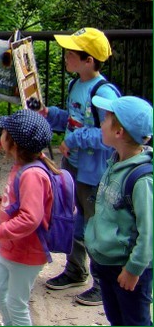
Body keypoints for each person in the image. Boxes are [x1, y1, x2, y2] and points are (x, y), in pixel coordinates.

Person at [39, 27, 118, 305]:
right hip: (73, 167)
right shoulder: (76, 84)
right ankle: (75, 270)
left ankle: (102, 284)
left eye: (70, 53)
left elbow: (109, 134)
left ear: (88, 60)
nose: (65, 57)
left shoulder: (104, 92)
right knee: (73, 221)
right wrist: (50, 114)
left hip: (93, 173)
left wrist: (74, 139)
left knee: (94, 228)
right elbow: (73, 120)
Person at [0, 110, 58, 326]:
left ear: (14, 142)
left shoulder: (32, 174)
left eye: (4, 132)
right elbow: (22, 206)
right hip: (12, 247)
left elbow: (30, 218)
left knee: (16, 303)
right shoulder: (21, 167)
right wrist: (3, 208)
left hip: (26, 251)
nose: (0, 134)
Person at [85, 95, 153, 326]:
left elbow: (149, 234)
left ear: (118, 132)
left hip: (126, 269)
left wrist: (134, 269)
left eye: (105, 119)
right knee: (116, 319)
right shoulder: (115, 161)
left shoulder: (142, 179)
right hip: (107, 263)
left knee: (135, 321)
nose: (101, 123)